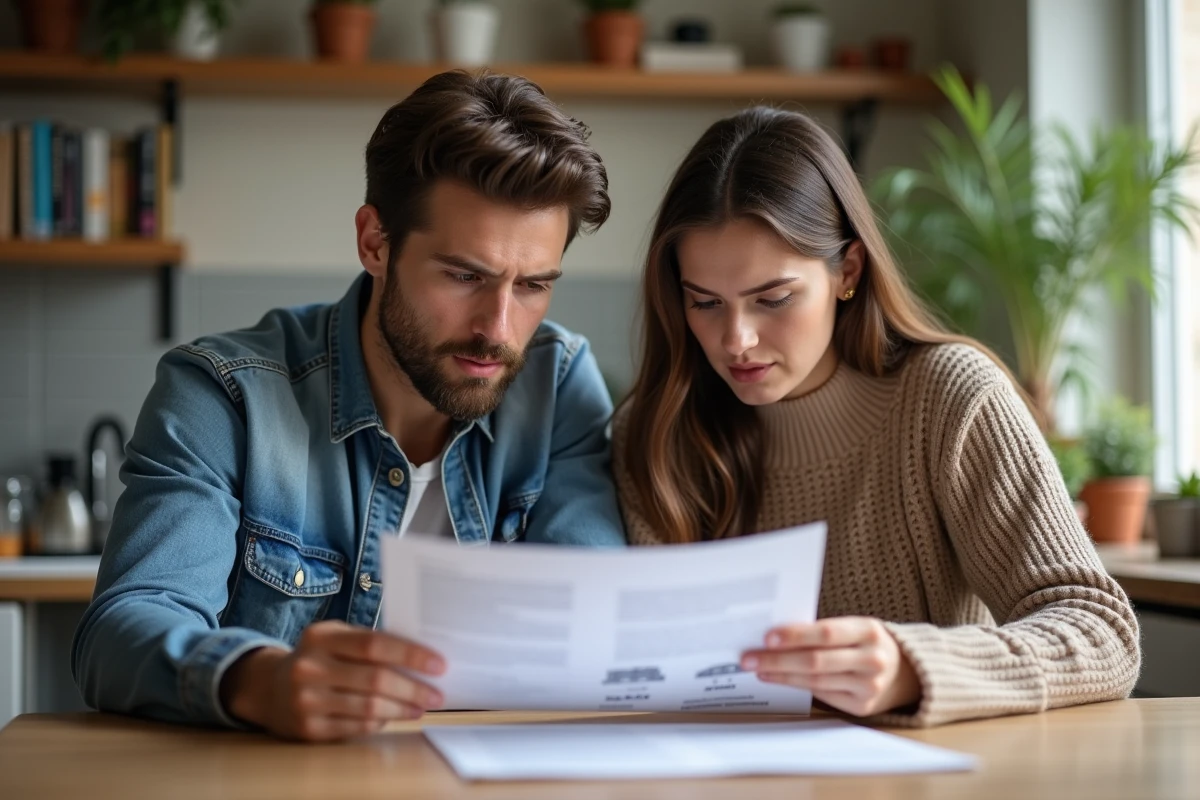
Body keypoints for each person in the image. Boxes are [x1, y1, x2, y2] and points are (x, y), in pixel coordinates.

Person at [73, 70, 627, 741]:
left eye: (534, 285)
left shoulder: (560, 384)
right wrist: (259, 679)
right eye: (464, 276)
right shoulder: (223, 393)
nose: (499, 328)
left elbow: (597, 622)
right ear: (375, 243)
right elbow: (121, 631)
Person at [612, 106, 1140, 727]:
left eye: (773, 299)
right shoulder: (654, 435)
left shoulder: (951, 401)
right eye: (704, 303)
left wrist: (914, 667)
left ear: (849, 273)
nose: (737, 340)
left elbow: (1103, 633)